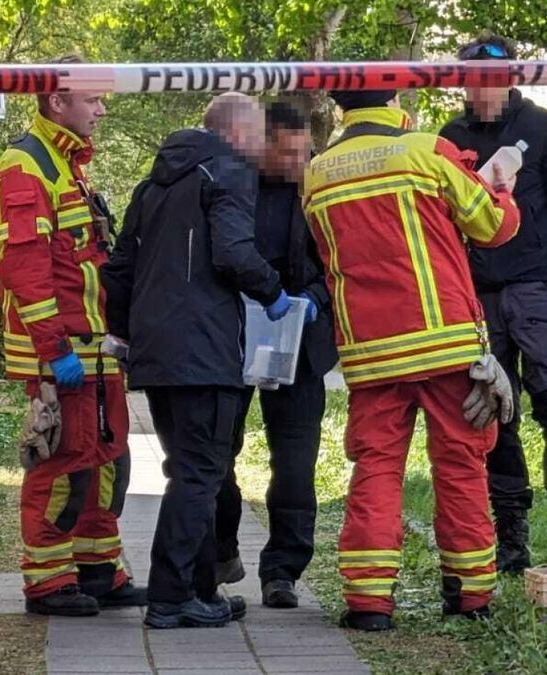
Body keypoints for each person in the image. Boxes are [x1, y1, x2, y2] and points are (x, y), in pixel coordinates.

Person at [301, 89, 521, 631]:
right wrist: (503, 189)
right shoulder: (427, 150)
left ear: (340, 107)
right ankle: (470, 595)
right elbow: (492, 228)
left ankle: (369, 602)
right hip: (446, 342)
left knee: (375, 467)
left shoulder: (317, 173)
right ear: (395, 97)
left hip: (370, 351)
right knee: (461, 464)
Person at [101, 93, 291, 629]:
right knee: (201, 473)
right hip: (204, 350)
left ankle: (199, 590)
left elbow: (119, 268)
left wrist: (126, 332)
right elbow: (232, 252)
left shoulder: (152, 184)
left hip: (158, 351)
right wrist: (274, 292)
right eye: (257, 135)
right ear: (235, 133)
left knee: (186, 471)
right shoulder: (227, 171)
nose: (261, 147)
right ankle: (171, 596)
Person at [439, 33, 547, 577]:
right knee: (496, 417)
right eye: (470, 79)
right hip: (477, 299)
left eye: (490, 77)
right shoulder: (448, 139)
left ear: (510, 77)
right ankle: (510, 541)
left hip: (538, 292)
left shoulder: (544, 129)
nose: (479, 89)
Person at [0, 53, 146, 617]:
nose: (102, 110)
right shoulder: (25, 166)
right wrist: (53, 352)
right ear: (58, 101)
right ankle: (49, 583)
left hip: (93, 349)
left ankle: (99, 570)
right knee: (60, 466)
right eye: (93, 100)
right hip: (61, 353)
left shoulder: (68, 165)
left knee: (104, 460)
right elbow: (27, 272)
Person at [213, 101, 339, 609]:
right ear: (261, 145)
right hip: (232, 338)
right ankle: (222, 546)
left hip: (300, 344)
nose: (297, 162)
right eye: (286, 153)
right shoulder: (228, 185)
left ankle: (282, 571)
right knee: (218, 454)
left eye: (303, 151)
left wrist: (315, 299)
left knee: (295, 463)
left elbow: (339, 262)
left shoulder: (319, 191)